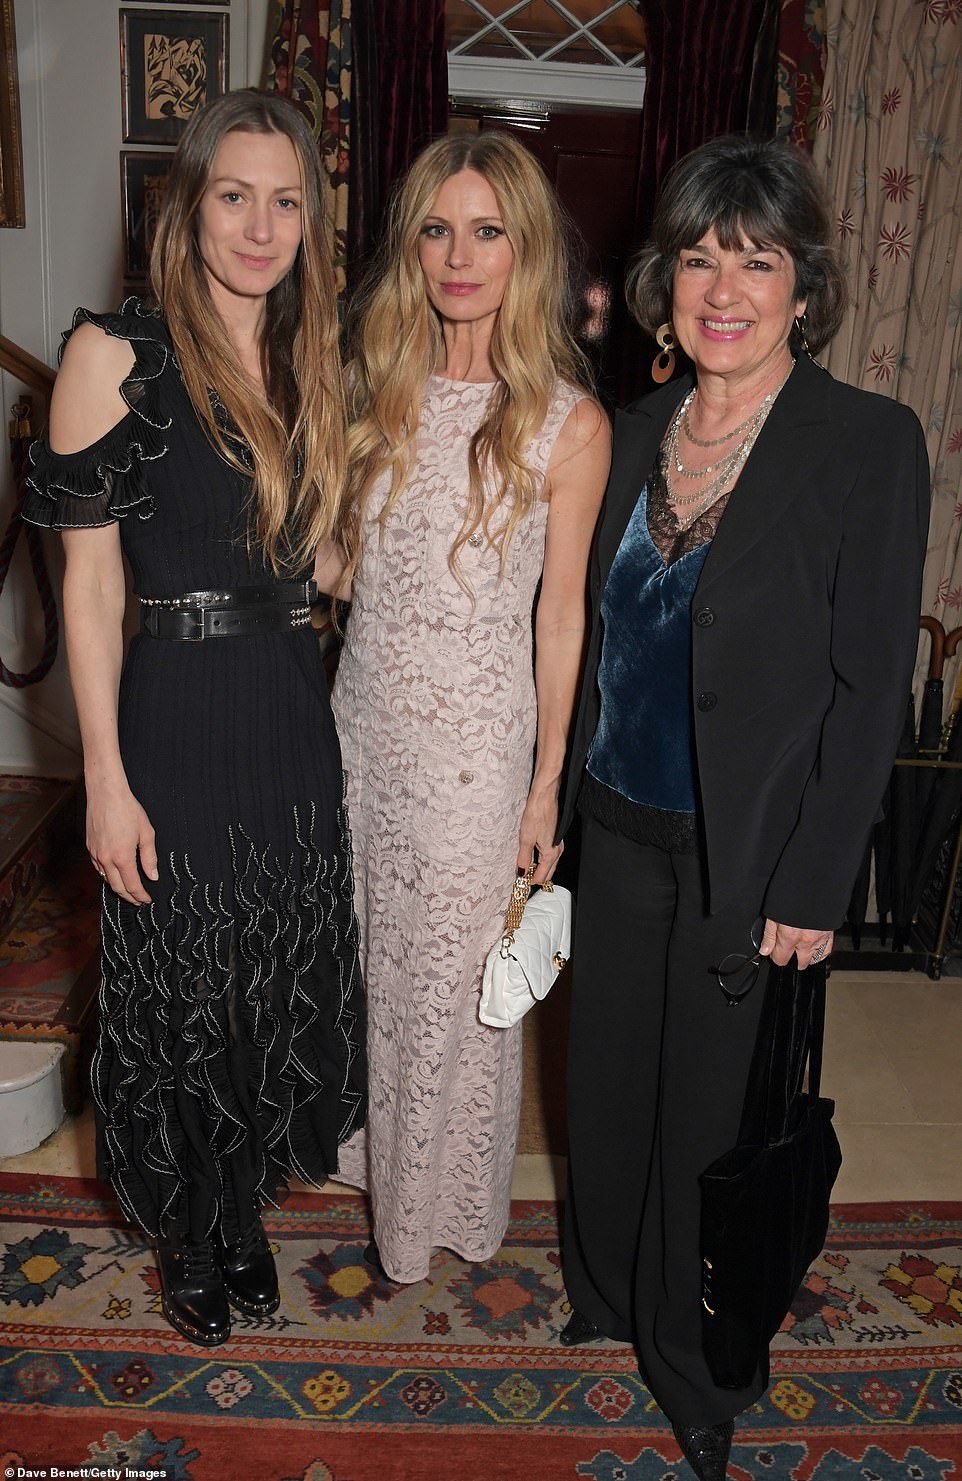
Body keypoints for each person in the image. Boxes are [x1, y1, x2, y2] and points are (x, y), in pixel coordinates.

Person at [555, 136, 930, 1479]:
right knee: (600, 1089)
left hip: (747, 854)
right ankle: (602, 1293)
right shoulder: (631, 429)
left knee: (703, 1120)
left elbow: (865, 681)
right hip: (613, 823)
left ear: (800, 287)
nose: (725, 285)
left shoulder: (865, 442)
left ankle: (695, 1356)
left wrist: (814, 887)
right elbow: (583, 642)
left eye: (755, 259)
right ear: (666, 279)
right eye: (701, 254)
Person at [23, 90, 366, 1347]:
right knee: (179, 987)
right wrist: (103, 774)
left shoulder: (316, 356)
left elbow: (325, 562)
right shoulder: (113, 355)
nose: (259, 225)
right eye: (235, 194)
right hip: (169, 709)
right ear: (187, 202)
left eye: (285, 201)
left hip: (286, 707)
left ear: (309, 221)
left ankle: (240, 1211)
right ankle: (194, 1226)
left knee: (263, 988)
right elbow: (92, 584)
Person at [318, 131, 610, 1284]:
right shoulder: (371, 385)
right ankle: (373, 1169)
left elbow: (560, 621)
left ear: (525, 251)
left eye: (487, 230)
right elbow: (342, 569)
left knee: (451, 990)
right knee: (368, 965)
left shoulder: (565, 423)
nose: (458, 254)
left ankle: (427, 1217)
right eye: (437, 228)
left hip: (473, 753)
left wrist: (544, 788)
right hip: (359, 730)